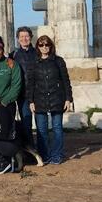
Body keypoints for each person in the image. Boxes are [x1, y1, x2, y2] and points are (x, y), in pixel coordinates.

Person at [26, 35, 73, 165]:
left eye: (47, 45)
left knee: (57, 128)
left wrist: (68, 99)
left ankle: (56, 155)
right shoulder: (33, 63)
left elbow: (65, 81)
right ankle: (45, 155)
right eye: (41, 45)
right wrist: (30, 101)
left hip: (57, 98)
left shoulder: (59, 61)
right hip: (39, 99)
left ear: (51, 46)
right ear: (37, 47)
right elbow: (30, 84)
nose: (44, 47)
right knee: (41, 130)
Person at [10, 26, 37, 146]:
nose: (24, 39)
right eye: (21, 37)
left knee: (41, 124)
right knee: (26, 124)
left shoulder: (38, 52)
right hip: (22, 95)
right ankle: (30, 150)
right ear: (17, 39)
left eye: (26, 36)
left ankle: (43, 151)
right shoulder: (13, 55)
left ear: (31, 37)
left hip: (37, 93)